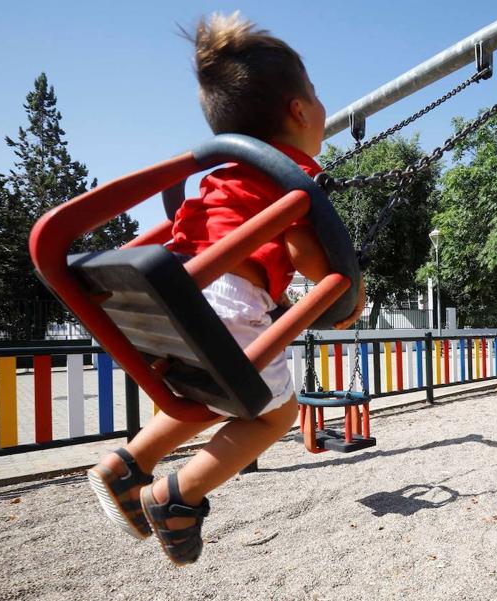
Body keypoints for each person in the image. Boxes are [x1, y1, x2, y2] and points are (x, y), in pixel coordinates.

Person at [85, 13, 365, 566]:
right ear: (299, 110)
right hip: (229, 299)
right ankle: (176, 496)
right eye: (316, 93)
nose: (322, 106)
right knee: (270, 413)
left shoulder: (225, 173)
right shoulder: (288, 174)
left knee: (210, 391)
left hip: (181, 295)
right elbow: (310, 260)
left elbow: (244, 242)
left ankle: (124, 466)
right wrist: (343, 293)